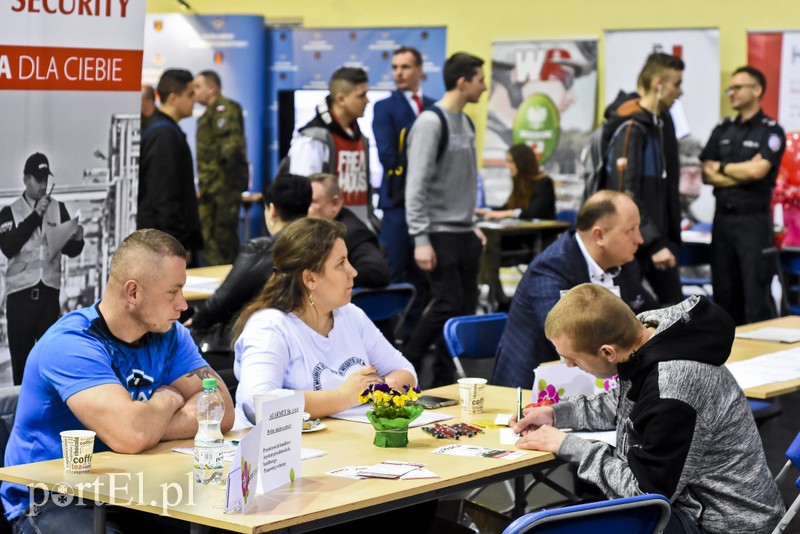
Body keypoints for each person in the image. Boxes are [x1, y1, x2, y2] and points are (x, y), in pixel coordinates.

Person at [0, 229, 235, 532]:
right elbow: (131, 434)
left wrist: (149, 423)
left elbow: (221, 410)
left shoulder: (171, 334)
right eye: (172, 292)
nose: (183, 306)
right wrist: (171, 396)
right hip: (52, 498)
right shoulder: (72, 344)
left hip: (134, 490)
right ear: (133, 292)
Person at [512, 284, 784, 534]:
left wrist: (569, 445)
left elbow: (645, 495)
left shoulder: (672, 390)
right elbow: (625, 402)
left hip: (726, 526)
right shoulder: (645, 338)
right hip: (695, 506)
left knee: (557, 526)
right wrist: (556, 414)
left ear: (608, 352)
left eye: (572, 359)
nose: (569, 366)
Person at [231, 217, 416, 427]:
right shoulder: (270, 326)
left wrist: (380, 389)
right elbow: (258, 403)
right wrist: (342, 397)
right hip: (282, 455)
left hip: (343, 445)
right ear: (310, 279)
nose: (353, 272)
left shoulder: (351, 315)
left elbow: (406, 371)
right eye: (341, 263)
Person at [491, 190, 656, 388]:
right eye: (631, 230)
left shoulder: (625, 265)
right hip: (532, 389)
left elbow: (649, 316)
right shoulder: (551, 268)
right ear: (599, 235)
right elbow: (567, 340)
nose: (640, 239)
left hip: (598, 380)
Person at [403, 52, 487, 387]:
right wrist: (420, 238)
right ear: (463, 82)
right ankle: (404, 365)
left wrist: (472, 225)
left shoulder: (466, 123)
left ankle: (443, 378)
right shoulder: (430, 122)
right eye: (480, 79)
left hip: (463, 231)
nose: (484, 86)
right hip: (438, 233)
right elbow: (416, 185)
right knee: (445, 303)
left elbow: (463, 181)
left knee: (462, 310)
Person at [700, 66, 786, 325]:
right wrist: (741, 171)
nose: (731, 93)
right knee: (724, 292)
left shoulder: (770, 131)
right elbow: (706, 173)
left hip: (753, 222)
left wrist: (723, 169)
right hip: (723, 221)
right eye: (730, 88)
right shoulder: (723, 129)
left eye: (738, 87)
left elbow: (758, 172)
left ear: (757, 90)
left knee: (755, 295)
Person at [603, 52, 684, 305]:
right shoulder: (631, 126)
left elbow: (666, 185)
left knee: (679, 315)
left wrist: (667, 239)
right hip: (635, 246)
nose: (680, 92)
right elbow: (623, 193)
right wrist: (654, 241)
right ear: (658, 83)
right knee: (629, 319)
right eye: (677, 84)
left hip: (657, 241)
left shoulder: (661, 123)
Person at [187, 174, 312, 335]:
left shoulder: (261, 250)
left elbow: (220, 302)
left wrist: (196, 321)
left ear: (272, 209)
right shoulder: (323, 243)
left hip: (259, 337)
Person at [0, 152, 85, 385]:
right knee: (22, 366)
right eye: (38, 179)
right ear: (26, 179)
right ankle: (22, 417)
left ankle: (49, 416)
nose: (43, 185)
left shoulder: (59, 209)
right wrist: (36, 216)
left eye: (46, 179)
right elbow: (8, 246)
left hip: (48, 297)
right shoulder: (10, 212)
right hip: (20, 300)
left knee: (50, 362)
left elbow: (72, 249)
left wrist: (77, 238)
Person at [372, 45, 436, 284]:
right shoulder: (384, 107)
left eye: (405, 67)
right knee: (395, 270)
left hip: (429, 204)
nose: (398, 73)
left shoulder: (434, 106)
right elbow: (387, 156)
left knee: (425, 276)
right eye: (395, 67)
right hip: (397, 202)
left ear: (419, 70)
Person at [287, 66, 375, 230]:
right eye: (361, 96)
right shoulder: (312, 139)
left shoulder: (360, 137)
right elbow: (302, 196)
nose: (367, 101)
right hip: (325, 235)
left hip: (359, 231)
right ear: (341, 99)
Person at [138, 68, 203, 266]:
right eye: (190, 94)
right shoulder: (164, 135)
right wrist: (177, 245)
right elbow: (165, 197)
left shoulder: (164, 130)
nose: (195, 99)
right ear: (173, 98)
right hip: (164, 246)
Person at [194, 70, 250, 266]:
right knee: (211, 243)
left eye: (198, 87)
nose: (194, 91)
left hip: (223, 190)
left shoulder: (224, 109)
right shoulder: (207, 115)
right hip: (212, 190)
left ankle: (225, 290)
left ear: (212, 88)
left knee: (222, 241)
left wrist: (226, 186)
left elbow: (231, 150)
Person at [307, 173, 390, 288]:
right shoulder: (315, 231)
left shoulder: (353, 233)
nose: (305, 209)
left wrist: (325, 281)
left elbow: (377, 271)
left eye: (312, 202)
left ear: (335, 203)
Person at [476, 143, 556, 221]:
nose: (508, 166)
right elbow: (507, 208)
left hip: (540, 233)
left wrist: (509, 213)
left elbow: (533, 213)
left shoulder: (544, 183)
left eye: (511, 162)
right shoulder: (520, 184)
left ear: (522, 163)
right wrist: (486, 212)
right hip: (522, 232)